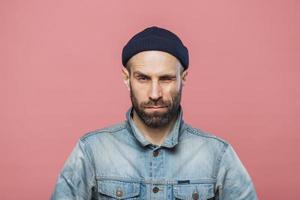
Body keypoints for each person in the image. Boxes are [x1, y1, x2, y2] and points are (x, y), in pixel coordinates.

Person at [51, 26, 258, 200]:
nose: (154, 93)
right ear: (126, 78)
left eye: (166, 79)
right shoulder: (91, 152)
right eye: (143, 78)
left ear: (183, 78)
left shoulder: (218, 155)